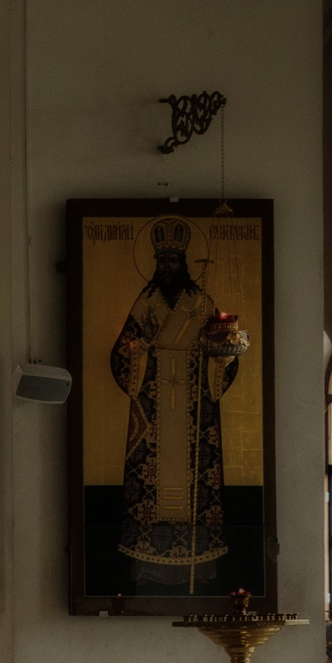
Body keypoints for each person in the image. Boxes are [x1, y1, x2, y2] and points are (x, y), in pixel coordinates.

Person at [111, 216, 237, 587]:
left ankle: (203, 567)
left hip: (194, 412)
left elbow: (220, 349)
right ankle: (147, 567)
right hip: (153, 413)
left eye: (174, 261)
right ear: (155, 263)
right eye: (162, 261)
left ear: (183, 264)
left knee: (197, 483)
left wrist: (221, 357)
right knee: (150, 485)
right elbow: (122, 355)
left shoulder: (201, 302)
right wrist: (142, 353)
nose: (168, 267)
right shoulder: (144, 302)